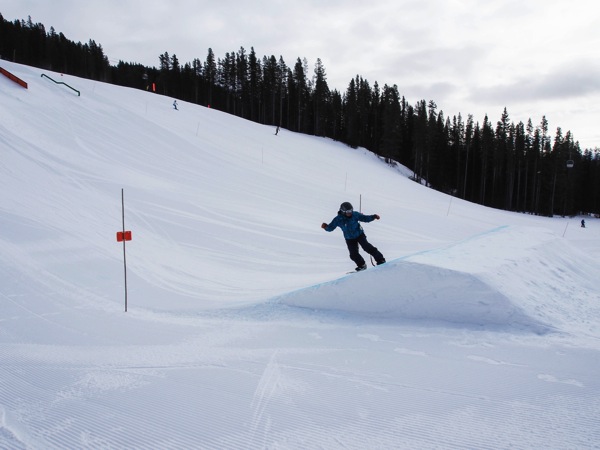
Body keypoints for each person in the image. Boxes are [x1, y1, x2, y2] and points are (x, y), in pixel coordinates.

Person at [321, 202, 386, 271]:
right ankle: (362, 265)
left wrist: (373, 217)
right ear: (343, 211)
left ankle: (380, 260)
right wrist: (326, 227)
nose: (350, 212)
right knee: (353, 254)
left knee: (367, 247)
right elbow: (331, 228)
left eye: (351, 210)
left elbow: (365, 218)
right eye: (348, 211)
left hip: (359, 235)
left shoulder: (355, 214)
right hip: (349, 239)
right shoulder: (338, 219)